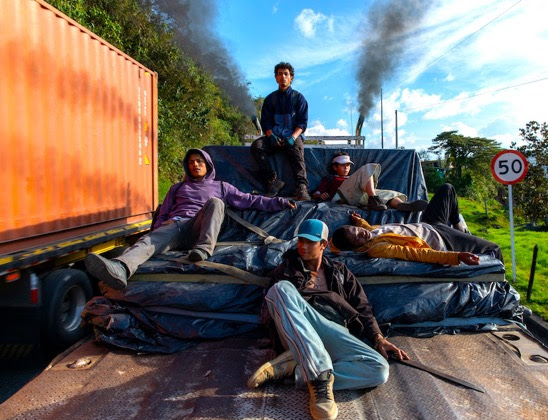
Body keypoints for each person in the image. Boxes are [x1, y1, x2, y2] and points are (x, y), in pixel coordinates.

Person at [247, 219, 408, 420]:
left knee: (379, 369)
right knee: (280, 290)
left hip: (334, 330)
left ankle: (295, 369)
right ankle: (319, 380)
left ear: (323, 244)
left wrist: (378, 338)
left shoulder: (340, 272)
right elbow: (272, 310)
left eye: (310, 242)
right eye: (301, 241)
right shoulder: (286, 271)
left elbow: (363, 308)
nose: (303, 246)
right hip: (301, 333)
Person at [85, 148, 296, 290]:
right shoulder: (177, 188)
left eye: (199, 161)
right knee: (148, 241)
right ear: (187, 167)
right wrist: (158, 230)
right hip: (176, 227)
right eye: (192, 162)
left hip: (200, 228)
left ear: (208, 165)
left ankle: (203, 250)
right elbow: (164, 213)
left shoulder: (221, 187)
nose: (195, 165)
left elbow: (250, 200)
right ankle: (120, 268)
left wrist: (279, 202)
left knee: (216, 203)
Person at [330, 183, 503, 265]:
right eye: (358, 238)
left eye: (357, 230)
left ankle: (459, 226)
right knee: (494, 249)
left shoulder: (368, 233)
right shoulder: (376, 248)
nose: (362, 233)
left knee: (447, 189)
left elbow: (368, 230)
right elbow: (417, 254)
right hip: (441, 238)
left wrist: (358, 221)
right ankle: (504, 289)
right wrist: (456, 256)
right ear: (356, 248)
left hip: (428, 224)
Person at [251, 62, 310, 201]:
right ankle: (273, 181)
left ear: (291, 78)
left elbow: (302, 122)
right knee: (257, 146)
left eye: (286, 74)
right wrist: (271, 136)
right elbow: (266, 122)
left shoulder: (299, 98)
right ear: (276, 78)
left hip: (292, 137)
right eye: (279, 74)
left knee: (298, 152)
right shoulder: (270, 100)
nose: (283, 76)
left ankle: (301, 187)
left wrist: (293, 137)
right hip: (275, 137)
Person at [311, 151, 429, 211]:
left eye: (348, 165)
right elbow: (316, 193)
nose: (346, 167)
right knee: (367, 169)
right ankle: (373, 200)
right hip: (341, 196)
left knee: (389, 194)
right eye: (342, 165)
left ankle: (402, 206)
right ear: (335, 167)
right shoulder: (330, 178)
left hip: (359, 196)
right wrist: (320, 196)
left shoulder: (352, 178)